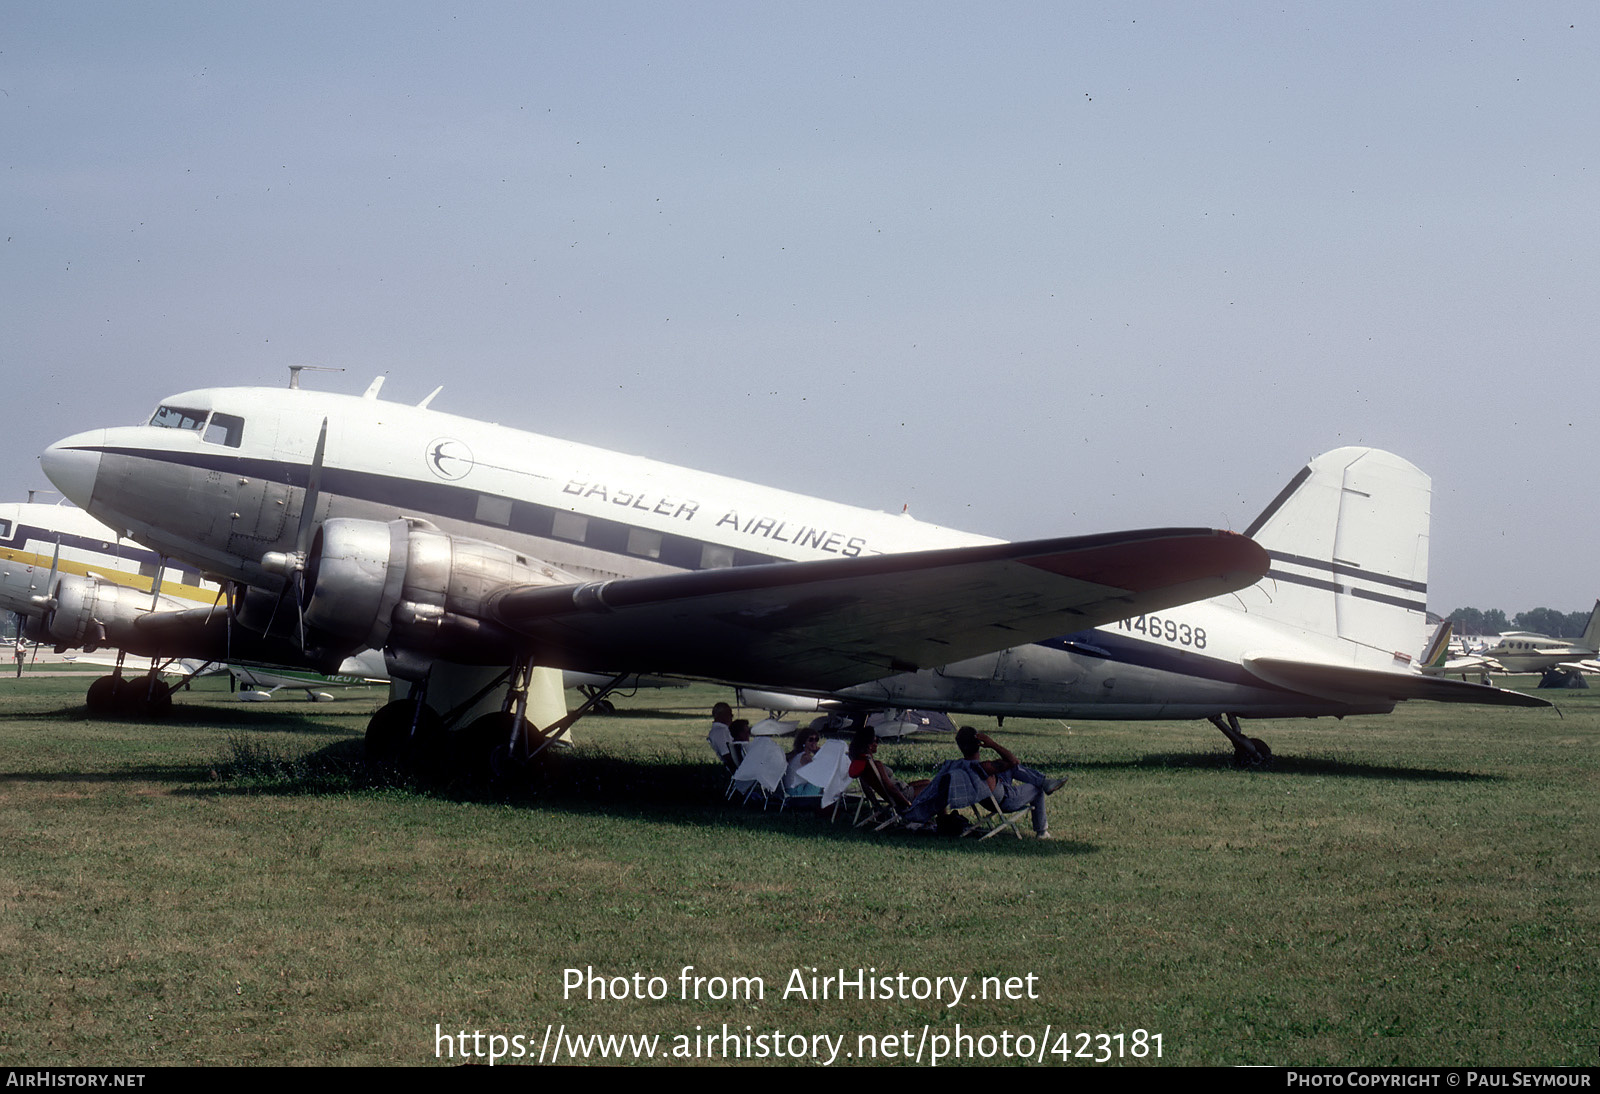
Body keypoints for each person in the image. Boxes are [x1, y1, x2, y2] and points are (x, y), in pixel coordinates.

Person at [953, 726, 1066, 838]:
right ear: (979, 743)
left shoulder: (961, 766)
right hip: (1005, 800)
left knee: (1011, 768)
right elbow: (1014, 761)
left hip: (988, 799)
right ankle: (1042, 832)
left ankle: (1044, 781)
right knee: (1037, 788)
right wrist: (992, 744)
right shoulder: (984, 767)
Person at [846, 725, 926, 812]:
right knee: (937, 788)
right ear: (869, 745)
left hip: (901, 788)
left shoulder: (863, 764)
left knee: (927, 782)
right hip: (902, 794)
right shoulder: (876, 765)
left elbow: (867, 789)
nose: (877, 744)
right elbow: (890, 787)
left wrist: (877, 805)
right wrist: (907, 803)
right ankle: (941, 820)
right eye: (875, 741)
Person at [707, 702, 736, 771]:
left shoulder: (722, 730)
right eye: (730, 714)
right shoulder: (720, 732)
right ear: (721, 715)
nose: (732, 716)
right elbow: (727, 755)